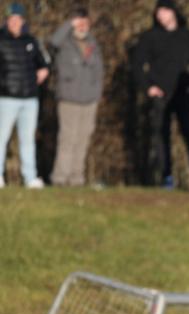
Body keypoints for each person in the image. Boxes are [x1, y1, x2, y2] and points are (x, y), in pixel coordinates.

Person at [132, 0, 189, 189]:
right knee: (161, 137)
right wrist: (148, 88)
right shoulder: (149, 37)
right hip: (160, 95)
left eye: (164, 11)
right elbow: (137, 65)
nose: (160, 15)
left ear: (173, 12)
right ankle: (166, 177)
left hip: (183, 93)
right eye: (158, 12)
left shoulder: (187, 36)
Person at [48, 7, 103, 187]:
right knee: (67, 138)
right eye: (79, 22)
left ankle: (76, 177)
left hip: (89, 99)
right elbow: (53, 42)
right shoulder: (65, 42)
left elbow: (99, 70)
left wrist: (96, 94)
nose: (82, 26)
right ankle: (60, 177)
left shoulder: (93, 43)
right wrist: (69, 24)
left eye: (85, 22)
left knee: (83, 138)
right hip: (69, 98)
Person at [0, 2, 49, 189]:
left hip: (30, 99)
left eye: (17, 19)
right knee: (1, 138)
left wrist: (43, 70)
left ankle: (30, 177)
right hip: (6, 98)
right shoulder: (1, 39)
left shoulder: (31, 41)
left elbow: (43, 63)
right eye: (11, 19)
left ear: (23, 21)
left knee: (27, 140)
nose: (14, 22)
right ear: (7, 21)